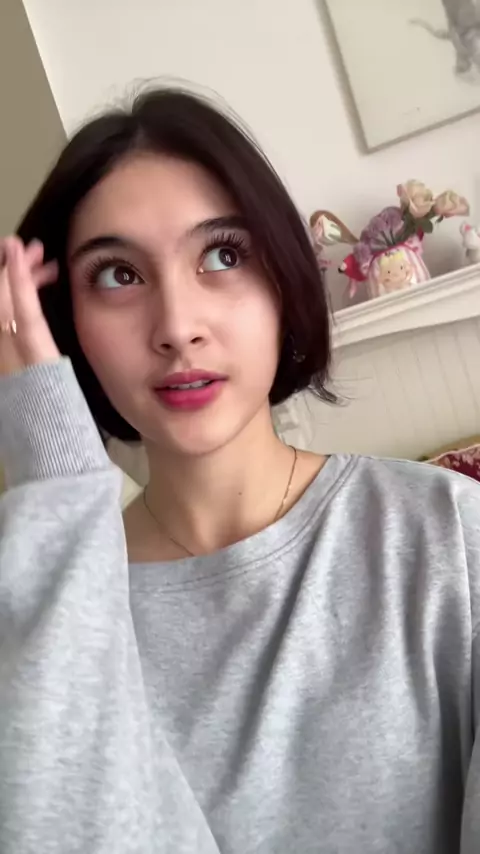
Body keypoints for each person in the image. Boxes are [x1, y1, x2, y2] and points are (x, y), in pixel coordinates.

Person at [0, 88, 480, 854]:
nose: (177, 327)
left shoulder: (448, 534)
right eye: (118, 275)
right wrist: (52, 478)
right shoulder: (40, 611)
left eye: (224, 256)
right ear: (65, 325)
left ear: (283, 278)